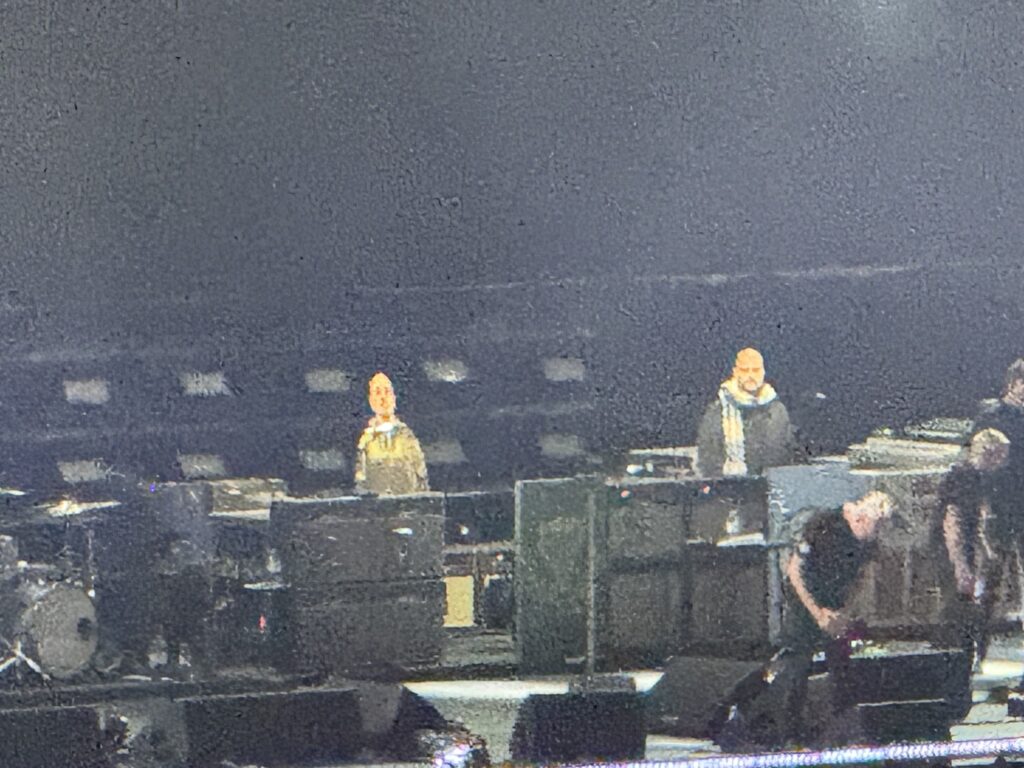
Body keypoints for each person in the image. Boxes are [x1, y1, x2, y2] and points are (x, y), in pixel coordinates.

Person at [712, 490, 894, 750]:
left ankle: (843, 732)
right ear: (861, 519)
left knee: (843, 666)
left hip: (835, 600)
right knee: (797, 664)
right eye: (875, 528)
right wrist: (817, 613)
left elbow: (862, 579)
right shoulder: (825, 525)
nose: (875, 537)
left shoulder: (869, 542)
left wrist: (844, 612)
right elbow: (795, 571)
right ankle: (788, 735)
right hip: (806, 595)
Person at [939, 428, 1011, 668]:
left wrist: (985, 550)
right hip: (952, 552)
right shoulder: (961, 477)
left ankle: (972, 658)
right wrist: (960, 565)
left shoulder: (979, 478)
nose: (1003, 462)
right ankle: (955, 663)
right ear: (989, 453)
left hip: (970, 550)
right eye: (1001, 455)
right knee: (961, 609)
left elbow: (978, 518)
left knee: (977, 606)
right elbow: (953, 521)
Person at [695, 348, 797, 477]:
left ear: (763, 372)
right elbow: (707, 459)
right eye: (744, 370)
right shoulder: (717, 411)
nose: (750, 375)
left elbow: (784, 455)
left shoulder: (778, 411)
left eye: (755, 370)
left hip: (770, 487)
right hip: (728, 488)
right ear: (735, 372)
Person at [354, 372, 429, 495]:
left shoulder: (407, 437)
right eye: (377, 392)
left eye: (387, 392)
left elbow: (421, 477)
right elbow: (361, 480)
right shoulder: (366, 441)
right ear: (371, 400)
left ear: (394, 397)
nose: (383, 398)